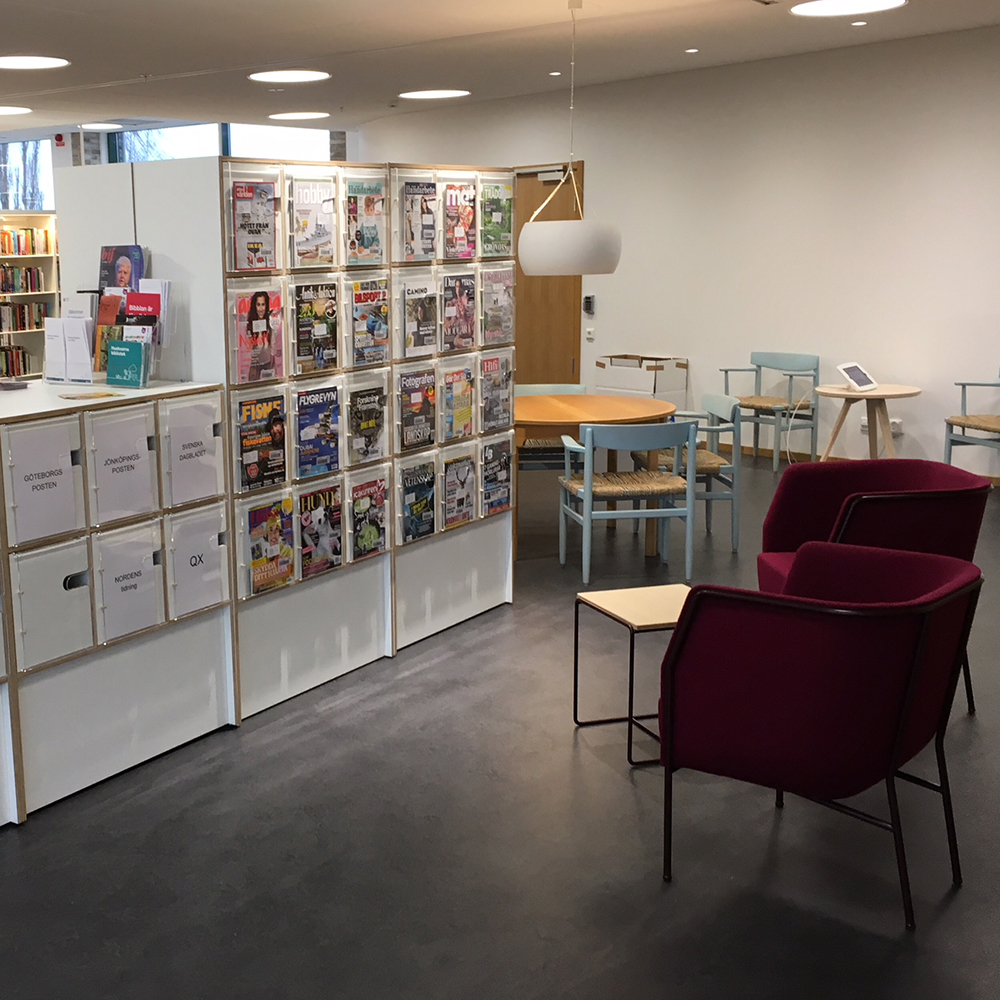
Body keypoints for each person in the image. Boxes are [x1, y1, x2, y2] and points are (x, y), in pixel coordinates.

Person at [247, 291, 275, 380]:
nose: (261, 308)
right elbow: (249, 347)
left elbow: (273, 344)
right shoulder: (250, 324)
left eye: (263, 304)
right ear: (254, 306)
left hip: (268, 363)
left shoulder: (271, 322)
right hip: (255, 364)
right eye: (258, 305)